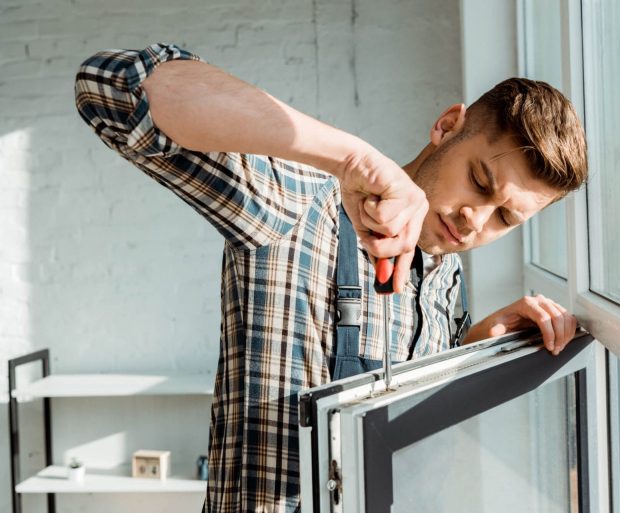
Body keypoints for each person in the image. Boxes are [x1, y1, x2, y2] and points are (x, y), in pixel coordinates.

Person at [74, 43, 587, 513]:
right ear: (448, 125)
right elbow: (113, 89)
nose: (477, 218)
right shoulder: (301, 205)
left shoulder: (446, 275)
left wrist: (477, 348)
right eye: (479, 181)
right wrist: (353, 159)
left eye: (505, 219)